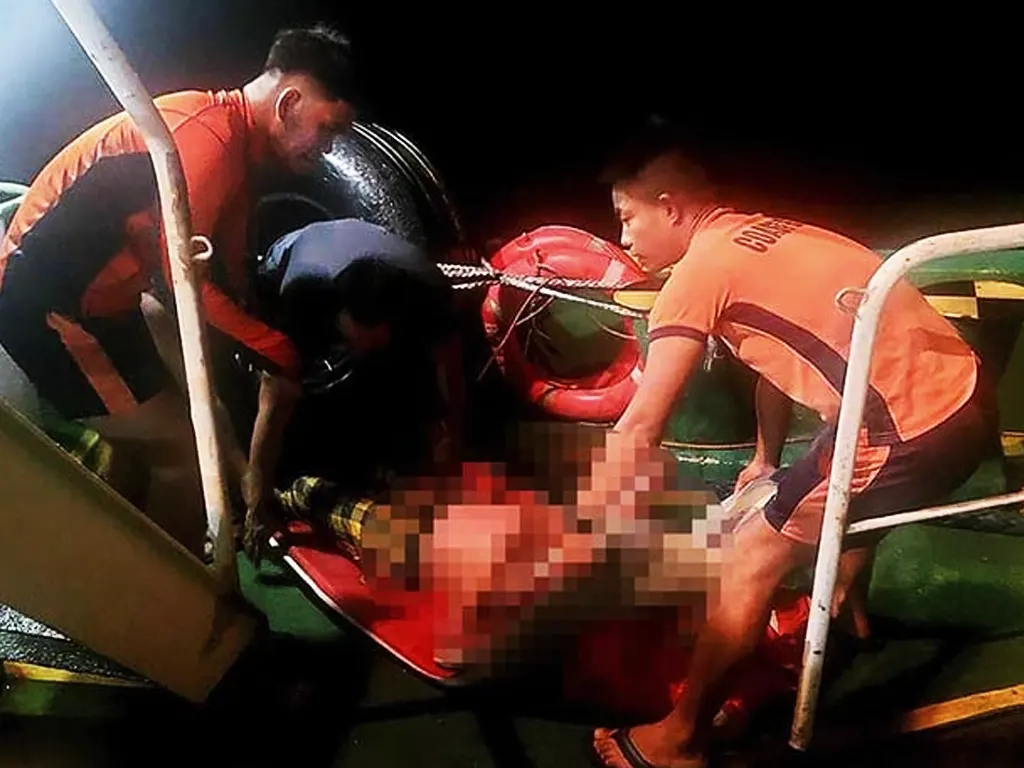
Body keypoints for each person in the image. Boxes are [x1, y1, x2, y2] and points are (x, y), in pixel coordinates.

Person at [588, 131, 999, 767]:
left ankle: (679, 741)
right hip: (968, 401)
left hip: (911, 432)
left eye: (627, 218)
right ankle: (847, 621)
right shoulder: (770, 232)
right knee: (825, 478)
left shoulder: (697, 274)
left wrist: (579, 533)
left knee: (748, 555)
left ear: (669, 207)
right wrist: (764, 457)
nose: (623, 239)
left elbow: (641, 427)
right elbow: (773, 361)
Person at [0, 25, 357, 556]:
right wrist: (278, 351)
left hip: (101, 306)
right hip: (47, 307)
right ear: (289, 103)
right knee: (185, 454)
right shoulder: (207, 139)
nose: (326, 149)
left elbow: (228, 269)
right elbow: (182, 277)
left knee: (148, 443)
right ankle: (172, 598)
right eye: (327, 130)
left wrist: (263, 332)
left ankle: (109, 562)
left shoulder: (232, 147)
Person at [242, 217, 465, 563]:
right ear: (341, 314)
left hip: (379, 258)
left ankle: (385, 461)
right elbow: (274, 398)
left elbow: (447, 370)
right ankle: (296, 478)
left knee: (400, 377)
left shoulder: (428, 297)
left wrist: (449, 444)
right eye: (362, 335)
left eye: (378, 336)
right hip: (289, 257)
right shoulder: (303, 298)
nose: (370, 342)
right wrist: (257, 504)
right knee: (295, 396)